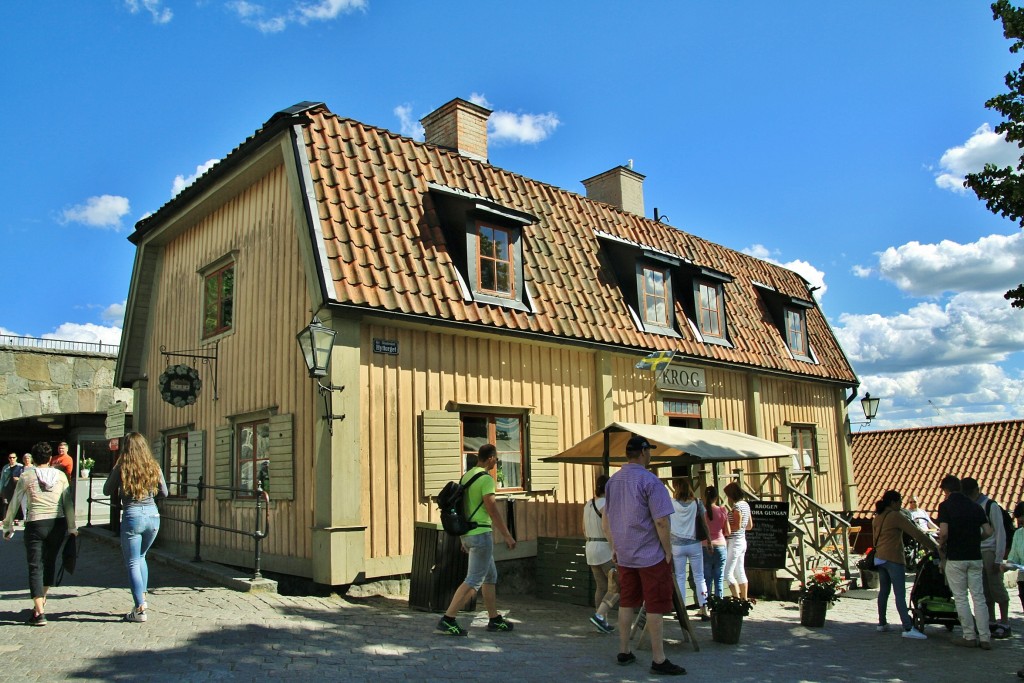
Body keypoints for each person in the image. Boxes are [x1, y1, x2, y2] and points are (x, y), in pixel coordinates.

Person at [602, 436, 685, 676]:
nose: (650, 455)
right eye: (649, 451)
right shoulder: (651, 481)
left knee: (627, 601)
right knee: (655, 604)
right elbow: (661, 521)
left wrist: (614, 546)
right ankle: (659, 658)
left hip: (625, 553)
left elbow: (607, 520)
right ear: (644, 452)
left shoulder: (613, 482)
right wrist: (667, 550)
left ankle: (624, 650)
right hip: (650, 554)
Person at [436, 443, 517, 636]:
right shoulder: (486, 479)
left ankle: (494, 619)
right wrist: (507, 535)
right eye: (496, 459)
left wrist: (463, 538)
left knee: (490, 577)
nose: (496, 462)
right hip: (481, 535)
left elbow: (462, 508)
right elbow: (492, 509)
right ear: (490, 458)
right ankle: (448, 619)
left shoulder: (467, 476)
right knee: (473, 580)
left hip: (468, 533)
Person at [1, 441, 77, 626]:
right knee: (49, 563)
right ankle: (40, 604)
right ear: (50, 458)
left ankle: (40, 612)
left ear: (33, 459)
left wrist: (7, 525)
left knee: (35, 566)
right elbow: (67, 502)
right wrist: (72, 527)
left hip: (35, 523)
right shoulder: (61, 476)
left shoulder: (27, 476)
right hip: (57, 523)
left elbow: (15, 501)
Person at [103, 432, 168, 623]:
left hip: (132, 515)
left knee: (132, 562)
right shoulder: (153, 466)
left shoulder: (122, 467)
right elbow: (164, 492)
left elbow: (107, 490)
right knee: (141, 557)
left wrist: (116, 472)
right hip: (153, 516)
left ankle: (139, 609)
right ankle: (143, 599)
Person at [871, 490, 938, 638]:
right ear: (893, 502)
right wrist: (935, 548)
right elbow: (916, 533)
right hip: (893, 557)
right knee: (900, 594)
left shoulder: (878, 516)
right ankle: (908, 627)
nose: (901, 505)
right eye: (900, 502)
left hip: (880, 557)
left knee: (884, 591)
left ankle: (882, 623)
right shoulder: (895, 515)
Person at [936, 474, 993, 649]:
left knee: (961, 598)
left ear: (946, 490)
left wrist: (941, 544)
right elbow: (988, 531)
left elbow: (944, 532)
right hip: (975, 556)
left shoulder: (945, 506)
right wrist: (976, 540)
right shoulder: (976, 507)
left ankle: (969, 636)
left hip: (956, 557)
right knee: (979, 597)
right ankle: (985, 637)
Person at [961, 477, 1012, 639]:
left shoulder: (991, 506)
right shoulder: (969, 506)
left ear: (977, 490)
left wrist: (998, 559)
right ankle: (991, 620)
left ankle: (1005, 622)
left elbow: (1000, 532)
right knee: (983, 590)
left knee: (996, 587)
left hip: (990, 550)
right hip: (976, 551)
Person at [583, 473, 619, 633]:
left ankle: (602, 621)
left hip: (590, 548)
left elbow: (583, 529)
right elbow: (607, 528)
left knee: (601, 586)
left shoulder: (588, 504)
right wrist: (614, 547)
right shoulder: (607, 505)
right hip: (604, 549)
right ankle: (599, 616)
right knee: (618, 585)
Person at [669, 478, 706, 621]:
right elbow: (704, 523)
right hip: (694, 543)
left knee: (680, 577)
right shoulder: (697, 502)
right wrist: (708, 540)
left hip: (677, 544)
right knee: (699, 576)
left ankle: (681, 609)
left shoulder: (671, 503)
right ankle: (703, 607)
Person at [701, 485, 731, 610]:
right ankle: (718, 606)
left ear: (704, 497)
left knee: (706, 578)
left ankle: (706, 605)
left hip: (705, 545)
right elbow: (728, 531)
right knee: (719, 577)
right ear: (716, 497)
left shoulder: (702, 512)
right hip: (720, 545)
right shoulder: (722, 510)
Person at [723, 481, 753, 600]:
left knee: (727, 573)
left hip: (734, 541)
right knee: (740, 571)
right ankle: (744, 599)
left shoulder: (737, 507)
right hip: (742, 540)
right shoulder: (746, 505)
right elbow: (749, 526)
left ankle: (736, 598)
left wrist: (726, 527)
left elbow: (737, 525)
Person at [1, 452, 22, 521]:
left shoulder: (20, 466)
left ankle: (16, 518)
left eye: (13, 457)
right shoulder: (5, 467)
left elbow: (24, 477)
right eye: (10, 457)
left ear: (16, 458)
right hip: (7, 487)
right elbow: (2, 479)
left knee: (16, 503)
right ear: (8, 459)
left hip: (16, 487)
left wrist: (18, 479)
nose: (12, 459)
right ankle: (5, 519)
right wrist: (1, 490)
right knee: (6, 503)